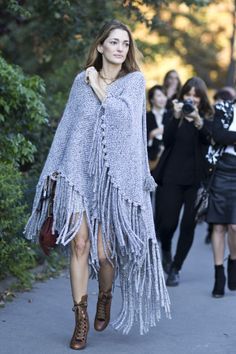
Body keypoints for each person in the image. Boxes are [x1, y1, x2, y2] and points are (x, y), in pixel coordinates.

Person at [24, 20, 170, 350]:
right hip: (78, 175)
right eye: (114, 42)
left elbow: (121, 121)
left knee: (105, 255)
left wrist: (97, 84)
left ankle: (105, 294)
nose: (120, 48)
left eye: (125, 44)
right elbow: (69, 129)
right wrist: (56, 171)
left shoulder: (134, 82)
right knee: (79, 246)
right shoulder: (80, 81)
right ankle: (81, 320)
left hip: (112, 181)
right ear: (101, 46)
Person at [155, 77, 213, 286]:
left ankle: (176, 268)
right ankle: (166, 248)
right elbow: (167, 141)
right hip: (171, 175)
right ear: (183, 95)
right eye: (188, 94)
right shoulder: (174, 114)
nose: (191, 99)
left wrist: (198, 121)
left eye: (195, 96)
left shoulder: (207, 116)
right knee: (167, 222)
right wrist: (176, 117)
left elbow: (210, 141)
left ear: (201, 98)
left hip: (195, 179)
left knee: (188, 225)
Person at [206, 98, 236, 298]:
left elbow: (225, 136)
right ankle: (219, 275)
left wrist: (229, 136)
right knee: (218, 226)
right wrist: (226, 137)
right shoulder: (224, 107)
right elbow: (218, 135)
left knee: (234, 226)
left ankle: (233, 260)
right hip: (222, 170)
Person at [146, 85, 168, 234]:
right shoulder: (147, 116)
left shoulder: (171, 115)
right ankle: (148, 227)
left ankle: (159, 229)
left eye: (163, 95)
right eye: (158, 96)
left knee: (164, 196)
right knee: (149, 195)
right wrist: (151, 134)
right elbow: (143, 139)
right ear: (152, 99)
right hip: (150, 161)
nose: (162, 99)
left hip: (168, 161)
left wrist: (160, 131)